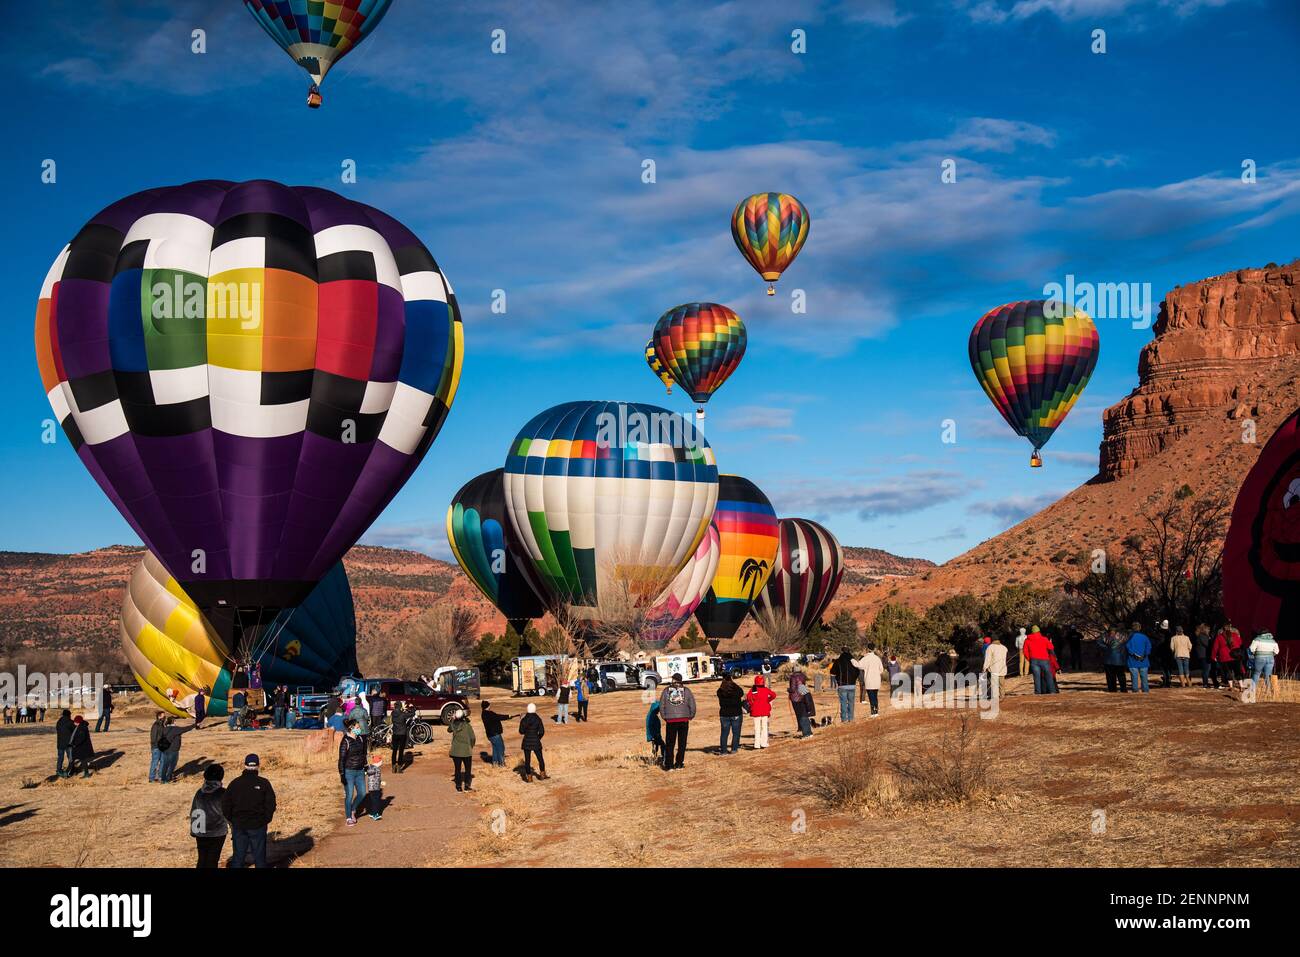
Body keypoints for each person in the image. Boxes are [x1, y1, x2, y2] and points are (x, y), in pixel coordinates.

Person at [222, 754, 276, 867]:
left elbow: (225, 804)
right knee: (260, 859)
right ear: (258, 766)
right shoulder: (264, 783)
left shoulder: (235, 783)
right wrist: (265, 820)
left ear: (245, 765)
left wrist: (232, 820)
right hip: (258, 825)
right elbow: (271, 804)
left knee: (238, 858)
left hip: (239, 825)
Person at [190, 764, 228, 868]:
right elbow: (229, 813)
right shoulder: (223, 793)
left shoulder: (199, 793)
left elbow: (194, 812)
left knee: (202, 859)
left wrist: (193, 831)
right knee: (212, 860)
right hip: (217, 833)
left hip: (201, 832)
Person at [659, 673, 697, 769]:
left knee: (670, 743)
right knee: (682, 743)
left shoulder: (666, 691)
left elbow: (661, 705)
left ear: (674, 680)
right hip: (684, 719)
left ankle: (669, 765)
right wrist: (690, 716)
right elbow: (692, 705)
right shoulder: (686, 691)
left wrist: (665, 717)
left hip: (671, 720)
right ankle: (679, 763)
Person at [338, 720, 368, 826]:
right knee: (349, 795)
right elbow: (341, 759)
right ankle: (348, 817)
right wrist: (342, 774)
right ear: (351, 728)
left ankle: (353, 809)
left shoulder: (360, 738)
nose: (359, 729)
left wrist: (366, 766)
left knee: (362, 793)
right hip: (349, 772)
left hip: (360, 771)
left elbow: (363, 754)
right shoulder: (345, 741)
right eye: (357, 727)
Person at [1023, 626, 1058, 694]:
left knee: (1036, 677)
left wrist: (1029, 659)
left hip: (1034, 660)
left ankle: (1038, 692)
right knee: (1049, 676)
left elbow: (1025, 651)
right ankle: (1052, 691)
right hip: (1045, 660)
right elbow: (1051, 648)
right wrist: (1054, 656)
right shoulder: (1044, 639)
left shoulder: (1027, 640)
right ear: (1039, 631)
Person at [159, 716, 196, 783]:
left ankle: (162, 779)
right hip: (173, 750)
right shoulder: (175, 729)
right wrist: (195, 724)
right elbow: (186, 729)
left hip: (165, 749)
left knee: (165, 764)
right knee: (172, 765)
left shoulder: (165, 728)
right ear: (173, 721)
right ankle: (168, 778)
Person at [447, 707, 476, 792]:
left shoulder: (453, 725)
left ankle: (458, 786)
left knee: (457, 769)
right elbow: (472, 738)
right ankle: (467, 786)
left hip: (456, 751)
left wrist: (452, 720)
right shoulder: (467, 726)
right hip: (466, 751)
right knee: (467, 769)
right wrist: (471, 746)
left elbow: (448, 730)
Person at [745, 674, 778, 748]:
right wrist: (768, 700)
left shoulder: (753, 690)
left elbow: (748, 698)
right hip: (765, 711)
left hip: (756, 711)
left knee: (757, 728)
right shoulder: (765, 689)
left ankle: (757, 744)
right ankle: (763, 743)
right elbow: (774, 695)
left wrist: (752, 704)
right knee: (764, 727)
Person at [853, 644, 885, 717]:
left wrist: (852, 660)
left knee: (871, 697)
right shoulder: (877, 658)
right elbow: (881, 670)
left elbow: (859, 665)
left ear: (867, 649)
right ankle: (876, 712)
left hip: (869, 680)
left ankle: (873, 712)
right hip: (876, 680)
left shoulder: (865, 658)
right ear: (874, 649)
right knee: (875, 696)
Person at [1248, 630, 1281, 700]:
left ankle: (1252, 690)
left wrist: (1255, 654)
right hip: (1271, 658)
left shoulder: (1257, 639)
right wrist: (1271, 655)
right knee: (1268, 675)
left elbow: (1251, 649)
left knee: (1256, 673)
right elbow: (1277, 651)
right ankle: (1268, 691)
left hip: (1259, 658)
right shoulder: (1273, 641)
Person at [519, 702, 547, 781]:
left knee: (527, 761)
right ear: (535, 709)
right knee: (540, 759)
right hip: (536, 741)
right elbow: (542, 732)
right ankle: (542, 775)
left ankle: (529, 777)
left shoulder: (524, 719)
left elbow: (521, 731)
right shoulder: (538, 719)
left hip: (526, 741)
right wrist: (537, 738)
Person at [716, 674, 744, 753]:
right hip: (736, 713)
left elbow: (719, 692)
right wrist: (734, 684)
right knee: (736, 733)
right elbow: (741, 692)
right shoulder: (736, 689)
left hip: (724, 714)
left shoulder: (720, 690)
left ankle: (724, 751)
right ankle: (734, 749)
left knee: (724, 733)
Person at [830, 650, 860, 723]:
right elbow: (858, 671)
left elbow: (832, 672)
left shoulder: (837, 661)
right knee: (851, 702)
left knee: (843, 703)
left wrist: (837, 678)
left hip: (842, 685)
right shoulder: (853, 661)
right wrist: (853, 679)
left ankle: (844, 719)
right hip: (852, 685)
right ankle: (851, 718)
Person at [480, 700, 509, 768]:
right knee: (501, 748)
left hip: (490, 735)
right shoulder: (490, 714)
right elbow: (499, 717)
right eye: (489, 705)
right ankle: (501, 764)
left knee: (495, 749)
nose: (490, 706)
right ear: (487, 706)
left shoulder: (483, 714)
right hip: (495, 734)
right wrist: (508, 716)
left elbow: (497, 716)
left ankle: (495, 763)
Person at [1211, 625, 1240, 691]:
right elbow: (1239, 643)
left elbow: (1215, 647)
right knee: (1236, 670)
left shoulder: (1219, 636)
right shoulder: (1235, 634)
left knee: (1228, 671)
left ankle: (1231, 686)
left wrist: (1213, 656)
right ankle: (1240, 685)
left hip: (1224, 656)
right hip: (1235, 655)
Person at [787, 666, 814, 737]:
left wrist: (788, 690)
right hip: (803, 696)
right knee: (804, 714)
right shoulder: (803, 676)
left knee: (801, 715)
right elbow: (802, 686)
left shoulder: (793, 677)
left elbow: (793, 689)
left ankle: (806, 733)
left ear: (793, 670)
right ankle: (808, 731)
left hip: (796, 698)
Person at [1126, 623, 1152, 694]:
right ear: (1140, 628)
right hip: (1143, 660)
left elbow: (1127, 647)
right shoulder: (1145, 637)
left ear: (1132, 629)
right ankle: (1145, 690)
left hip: (1133, 660)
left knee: (1134, 676)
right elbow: (1149, 647)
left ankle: (1135, 690)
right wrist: (1144, 655)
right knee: (1144, 676)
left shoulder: (1130, 637)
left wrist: (1134, 654)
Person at [982, 636, 1008, 701]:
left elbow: (987, 659)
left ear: (992, 640)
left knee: (994, 684)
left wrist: (984, 668)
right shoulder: (1004, 647)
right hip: (1002, 668)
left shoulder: (990, 647)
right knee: (1002, 684)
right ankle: (1002, 696)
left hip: (994, 669)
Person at [389, 700, 411, 771]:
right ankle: (399, 767)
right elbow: (412, 714)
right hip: (402, 733)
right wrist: (412, 708)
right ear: (400, 706)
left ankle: (393, 766)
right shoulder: (403, 714)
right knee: (401, 750)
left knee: (394, 750)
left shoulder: (393, 713)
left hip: (395, 733)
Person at [148, 711, 168, 782]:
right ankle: (151, 778)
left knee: (163, 762)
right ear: (159, 716)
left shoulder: (162, 725)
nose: (165, 717)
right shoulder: (156, 725)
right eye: (163, 716)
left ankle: (160, 776)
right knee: (155, 762)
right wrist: (158, 745)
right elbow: (153, 738)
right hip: (156, 747)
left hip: (162, 747)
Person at [55, 708, 74, 778]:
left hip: (60, 743)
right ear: (69, 715)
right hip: (68, 743)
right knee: (71, 758)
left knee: (60, 757)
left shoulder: (58, 722)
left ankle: (58, 770)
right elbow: (74, 731)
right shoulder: (70, 722)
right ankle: (70, 770)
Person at [364, 755, 384, 821]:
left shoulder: (374, 768)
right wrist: (366, 771)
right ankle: (375, 814)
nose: (382, 763)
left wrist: (380, 782)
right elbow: (369, 771)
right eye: (381, 761)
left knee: (375, 800)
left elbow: (376, 777)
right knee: (376, 801)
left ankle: (372, 813)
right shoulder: (374, 768)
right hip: (373, 788)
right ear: (378, 762)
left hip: (375, 787)